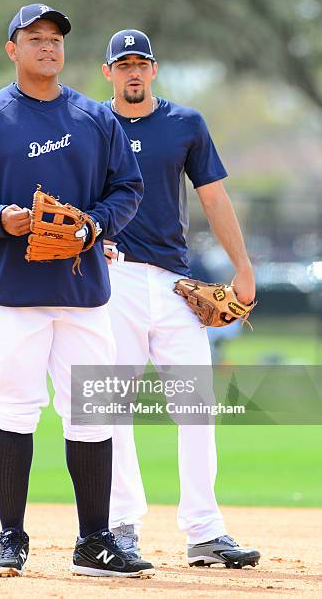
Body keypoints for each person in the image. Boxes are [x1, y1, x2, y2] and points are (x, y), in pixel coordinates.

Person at [0, 6, 155, 579]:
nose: (48, 47)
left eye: (55, 39)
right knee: (13, 407)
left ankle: (94, 541)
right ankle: (11, 536)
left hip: (81, 289)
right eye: (34, 39)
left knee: (91, 414)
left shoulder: (93, 116)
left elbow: (127, 188)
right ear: (12, 49)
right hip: (10, 290)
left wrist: (91, 227)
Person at [101, 29, 261, 568]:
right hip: (113, 279)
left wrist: (242, 266)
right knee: (110, 407)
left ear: (154, 69)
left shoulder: (185, 123)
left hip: (175, 283)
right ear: (108, 74)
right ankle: (119, 527)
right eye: (122, 64)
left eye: (140, 63)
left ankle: (204, 532)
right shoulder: (90, 124)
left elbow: (213, 197)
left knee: (196, 408)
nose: (132, 72)